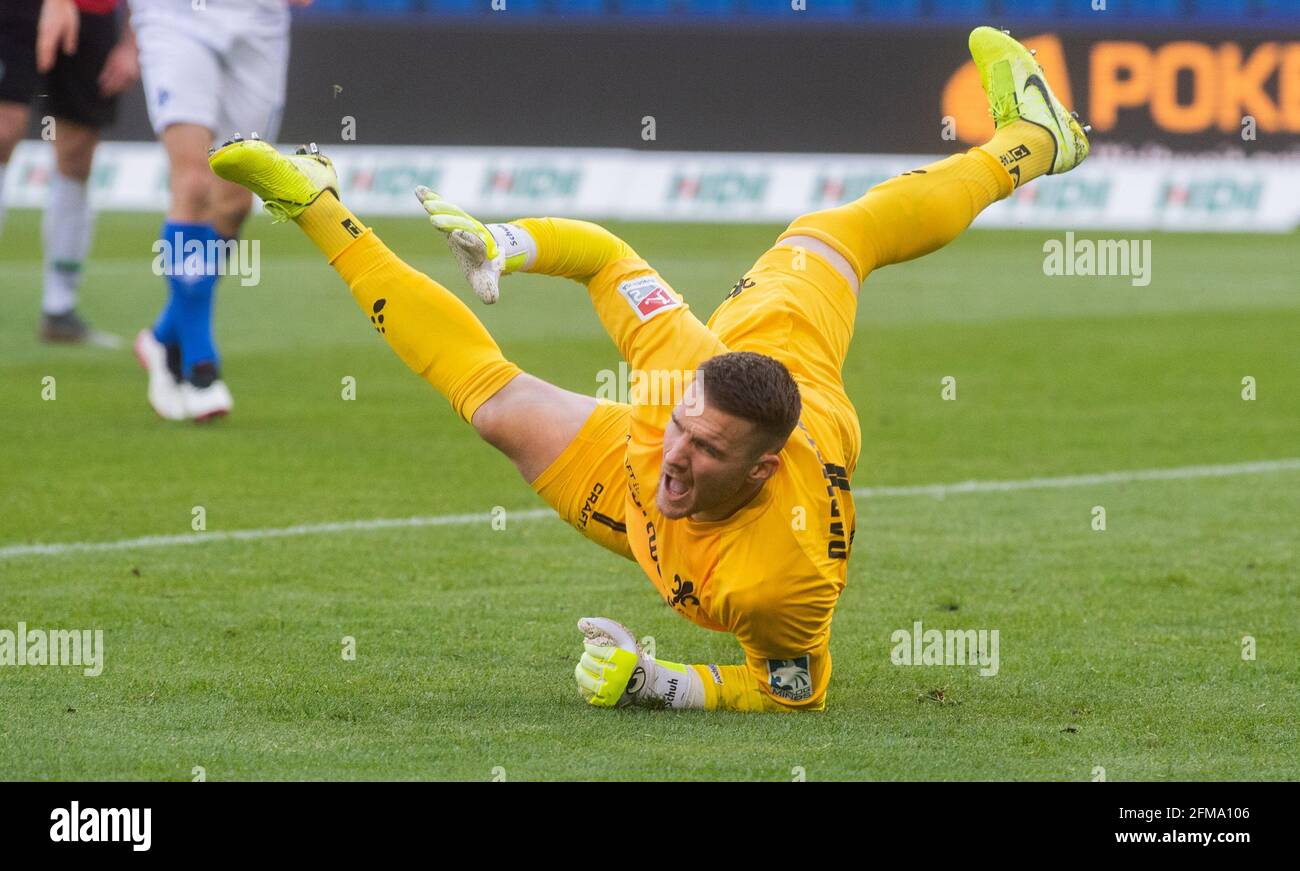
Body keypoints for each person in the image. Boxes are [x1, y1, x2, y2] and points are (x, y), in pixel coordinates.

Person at [208, 27, 1089, 712]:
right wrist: (506, 244)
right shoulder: (681, 380)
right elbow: (605, 257)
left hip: (778, 405)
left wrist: (659, 681)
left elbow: (794, 691)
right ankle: (314, 197)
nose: (676, 454)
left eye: (705, 450)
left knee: (507, 413)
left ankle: (1034, 139)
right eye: (682, 430)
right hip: (742, 379)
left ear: (761, 466)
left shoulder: (783, 581)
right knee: (826, 237)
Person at [129, 0, 310, 421]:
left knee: (235, 200)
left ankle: (162, 338)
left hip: (260, 17)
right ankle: (200, 365)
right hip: (174, 15)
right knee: (193, 182)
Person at [0, 0, 138, 345]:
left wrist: (132, 42)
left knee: (77, 154)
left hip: (93, 13)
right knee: (3, 131)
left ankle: (59, 309)